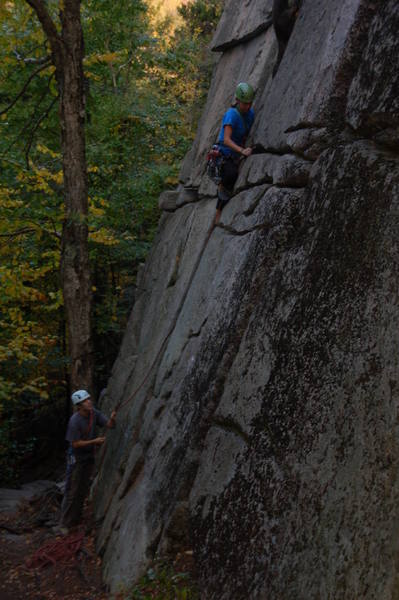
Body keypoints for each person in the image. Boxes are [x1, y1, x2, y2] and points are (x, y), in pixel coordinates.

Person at [56, 389, 116, 534]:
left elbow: (109, 425)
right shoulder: (75, 421)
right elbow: (75, 444)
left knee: (83, 488)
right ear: (79, 405)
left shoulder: (93, 413)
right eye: (85, 400)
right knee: (72, 489)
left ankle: (75, 519)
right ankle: (63, 524)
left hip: (88, 456)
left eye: (89, 399)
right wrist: (94, 441)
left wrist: (112, 418)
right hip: (76, 458)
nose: (89, 401)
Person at [214, 82, 255, 224]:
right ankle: (219, 210)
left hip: (237, 153)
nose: (248, 106)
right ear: (237, 101)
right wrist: (242, 151)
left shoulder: (250, 114)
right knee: (231, 175)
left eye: (249, 103)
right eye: (245, 103)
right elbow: (226, 140)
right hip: (225, 154)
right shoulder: (231, 115)